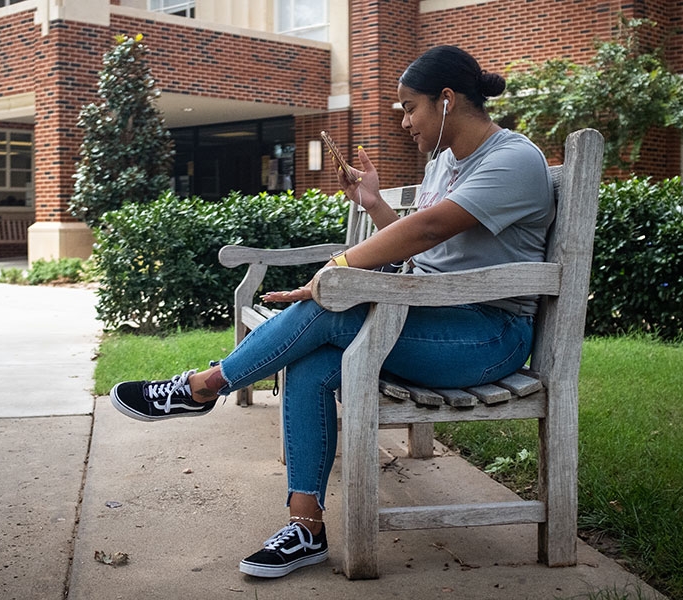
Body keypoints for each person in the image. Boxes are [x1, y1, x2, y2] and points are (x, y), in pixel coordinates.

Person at [109, 45, 554, 579]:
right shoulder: (444, 164)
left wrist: (336, 271)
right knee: (313, 362)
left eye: (409, 108)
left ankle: (202, 387)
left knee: (334, 309)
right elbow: (426, 249)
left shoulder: (513, 160)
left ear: (447, 100)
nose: (405, 121)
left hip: (487, 337)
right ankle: (306, 528)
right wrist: (371, 203)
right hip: (425, 319)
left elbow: (430, 229)